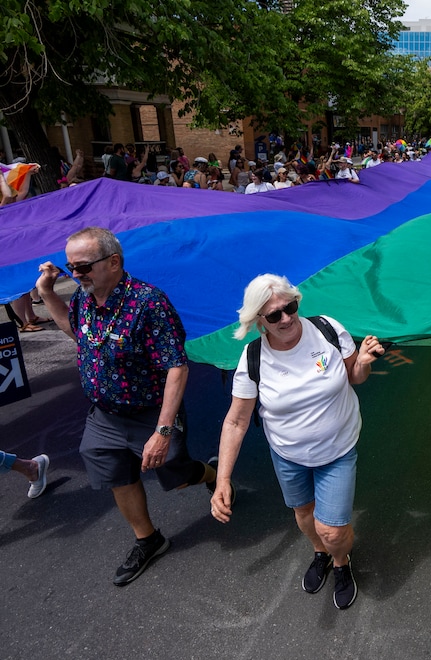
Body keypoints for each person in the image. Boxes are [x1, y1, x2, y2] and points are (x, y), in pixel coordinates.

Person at [34, 227, 218, 586]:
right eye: (71, 267)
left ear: (114, 262)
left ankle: (211, 474)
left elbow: (177, 367)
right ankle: (148, 539)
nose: (76, 274)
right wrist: (47, 293)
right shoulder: (85, 297)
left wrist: (162, 431)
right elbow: (77, 333)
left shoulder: (149, 302)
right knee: (118, 476)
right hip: (104, 415)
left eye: (83, 266)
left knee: (178, 477)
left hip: (151, 413)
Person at [210, 274, 387, 610]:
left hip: (337, 449)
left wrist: (363, 364)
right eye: (274, 315)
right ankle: (320, 553)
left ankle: (340, 561)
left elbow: (354, 376)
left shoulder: (327, 330)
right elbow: (236, 421)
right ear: (258, 321)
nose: (286, 318)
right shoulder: (252, 358)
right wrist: (222, 480)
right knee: (304, 512)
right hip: (288, 455)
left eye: (289, 307)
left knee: (332, 530)